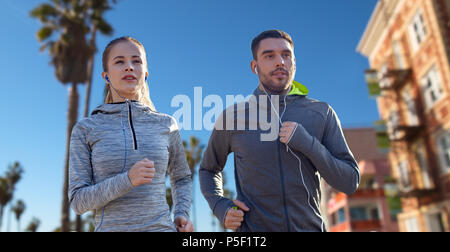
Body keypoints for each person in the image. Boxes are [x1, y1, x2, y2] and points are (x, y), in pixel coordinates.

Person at [199, 30, 360, 232]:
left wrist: (308, 144)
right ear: (254, 66)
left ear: (294, 62)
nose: (280, 62)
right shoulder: (232, 117)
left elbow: (349, 182)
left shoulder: (321, 113)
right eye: (269, 56)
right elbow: (208, 169)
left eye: (286, 55)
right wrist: (220, 206)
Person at [69, 36, 193, 232]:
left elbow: (181, 177)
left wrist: (182, 213)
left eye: (136, 61)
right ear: (106, 75)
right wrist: (127, 180)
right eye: (119, 62)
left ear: (145, 72)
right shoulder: (86, 128)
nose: (129, 67)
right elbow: (78, 201)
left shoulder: (167, 124)